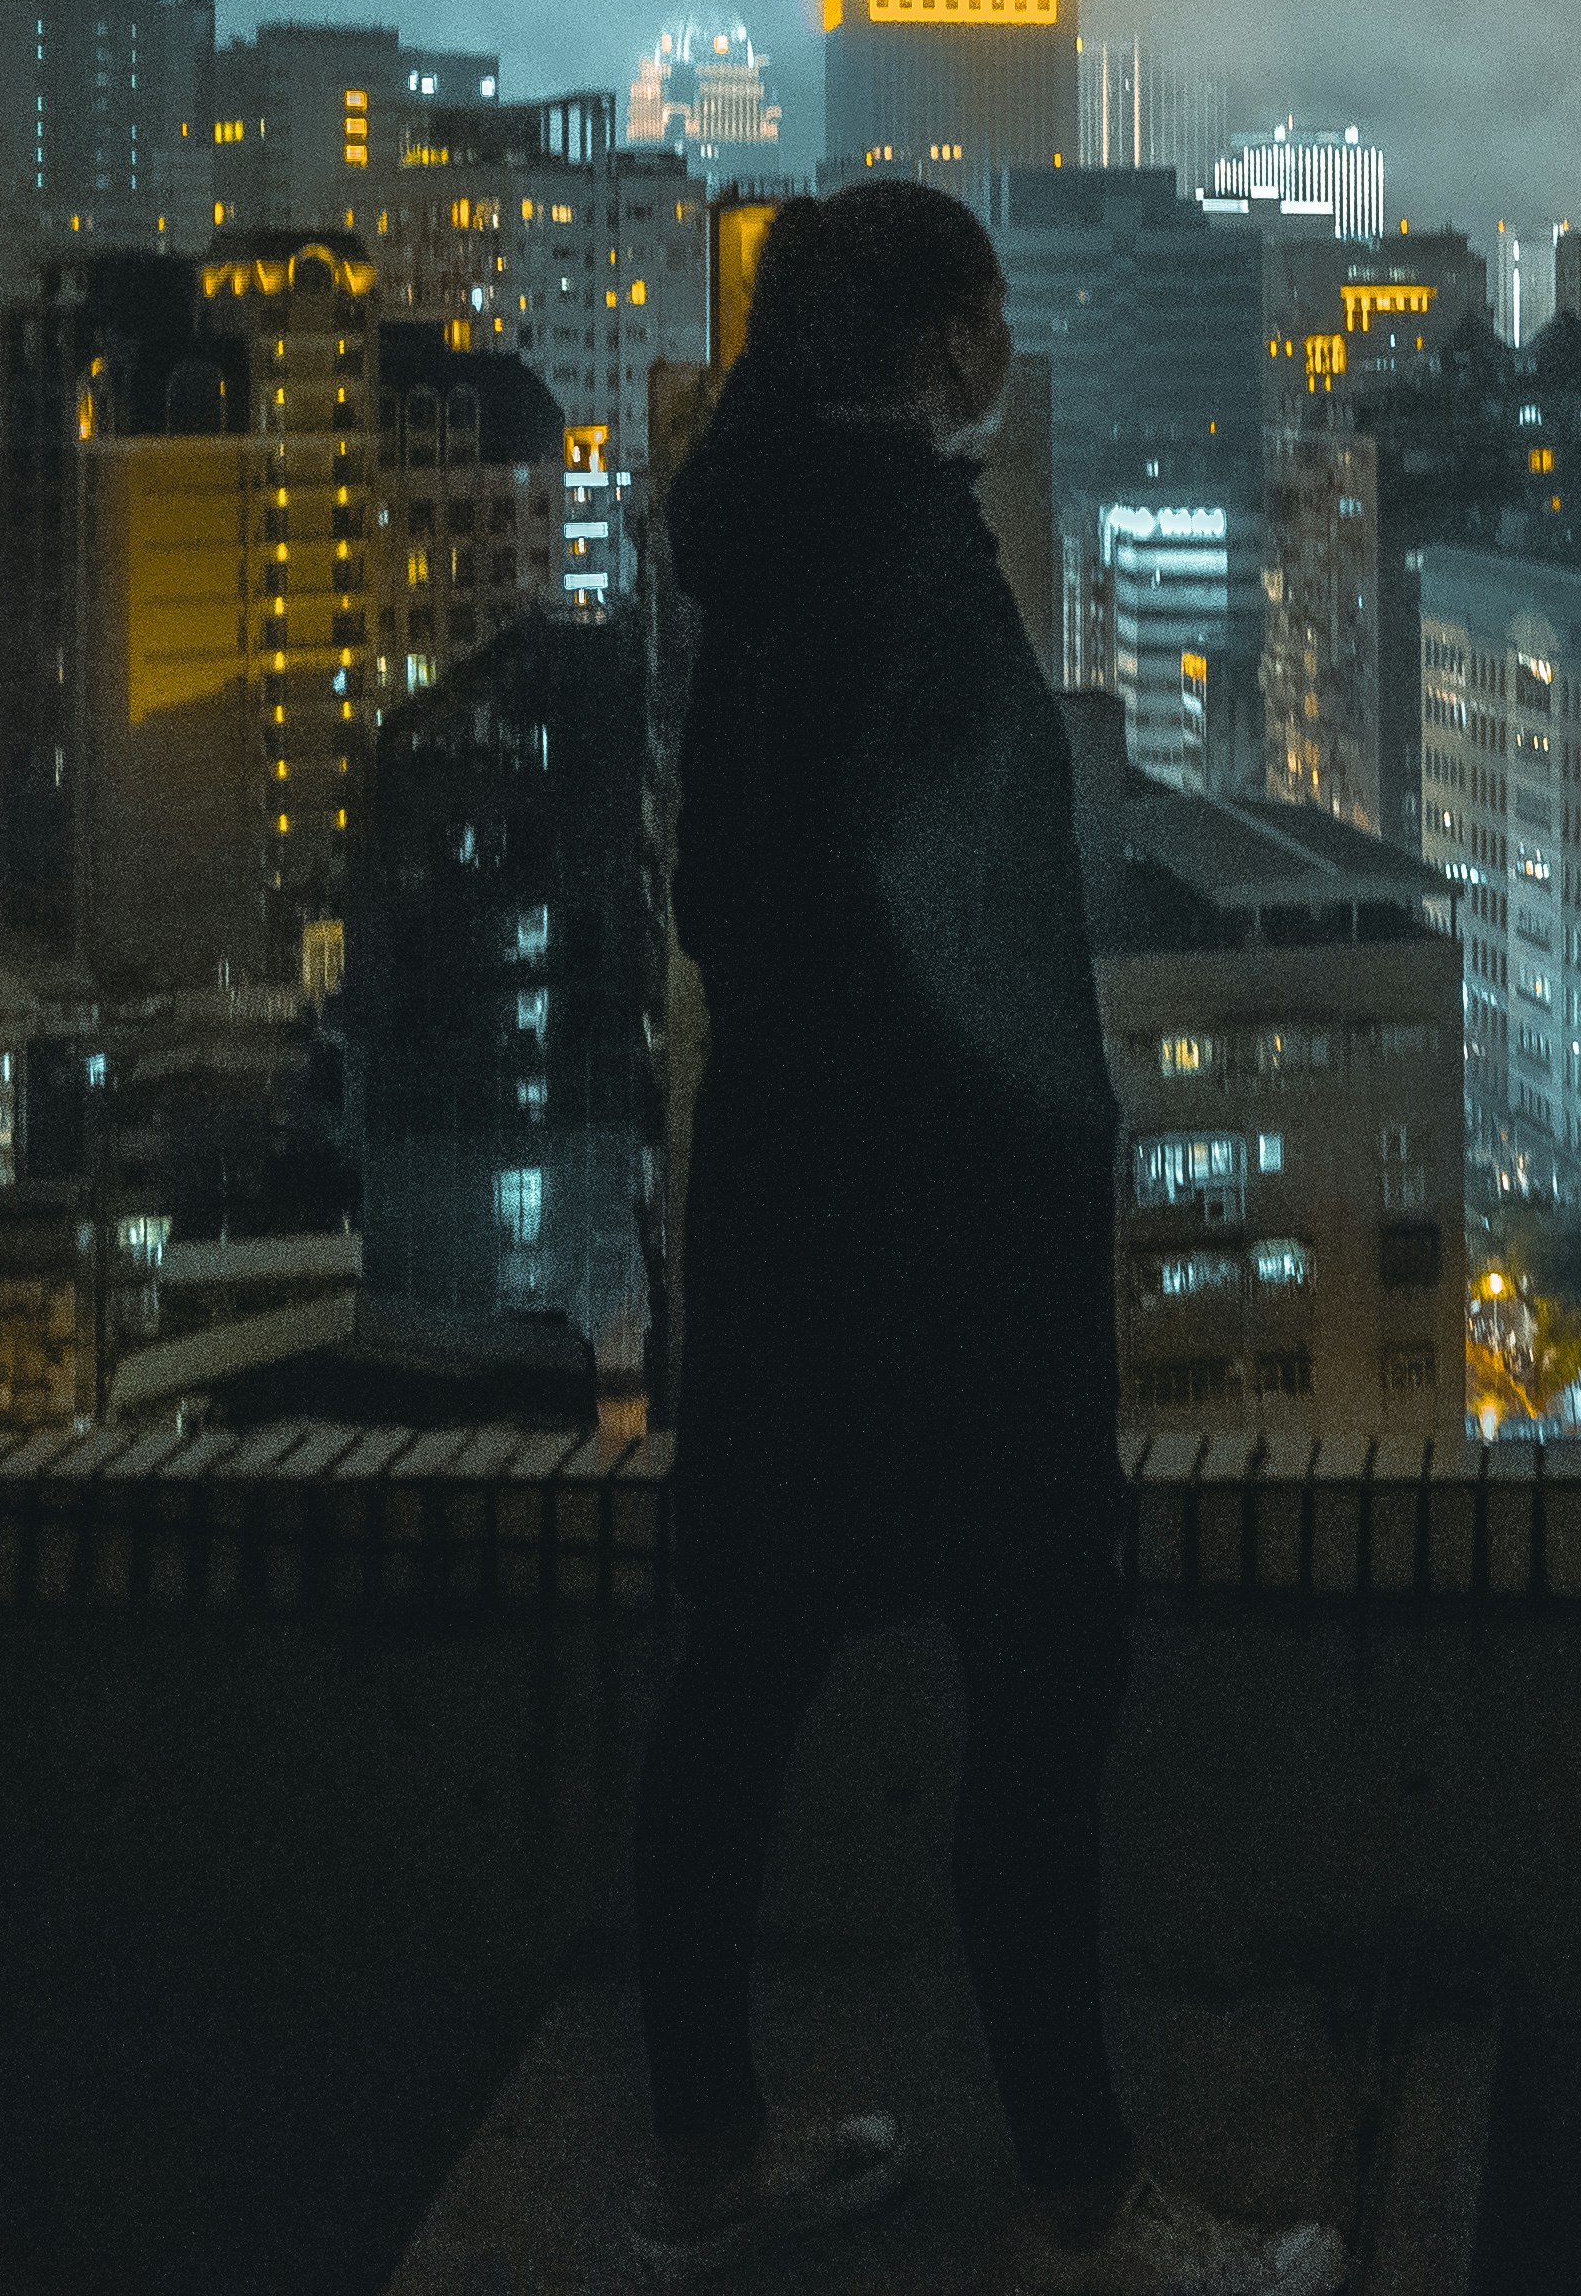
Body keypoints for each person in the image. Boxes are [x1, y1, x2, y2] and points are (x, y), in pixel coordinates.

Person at [618, 178, 1345, 2296]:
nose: (999, 347)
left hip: (783, 1204)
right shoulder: (905, 563)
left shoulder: (739, 546)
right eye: (985, 311)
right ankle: (1081, 2193)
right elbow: (976, 906)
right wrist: (1038, 1131)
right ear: (923, 342)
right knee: (1044, 1679)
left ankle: (698, 2155)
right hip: (943, 1230)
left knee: (745, 1668)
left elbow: (728, 903)